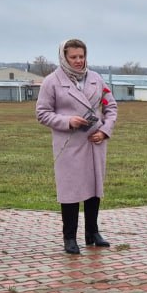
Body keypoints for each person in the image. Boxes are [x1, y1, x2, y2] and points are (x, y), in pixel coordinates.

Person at [35, 39, 118, 254]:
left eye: (82, 56)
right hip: (69, 144)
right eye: (74, 57)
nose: (79, 61)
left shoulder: (97, 79)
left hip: (95, 142)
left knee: (94, 188)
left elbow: (111, 106)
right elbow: (42, 113)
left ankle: (93, 232)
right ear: (64, 57)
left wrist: (105, 131)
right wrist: (67, 121)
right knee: (70, 190)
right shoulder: (52, 82)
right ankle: (69, 237)